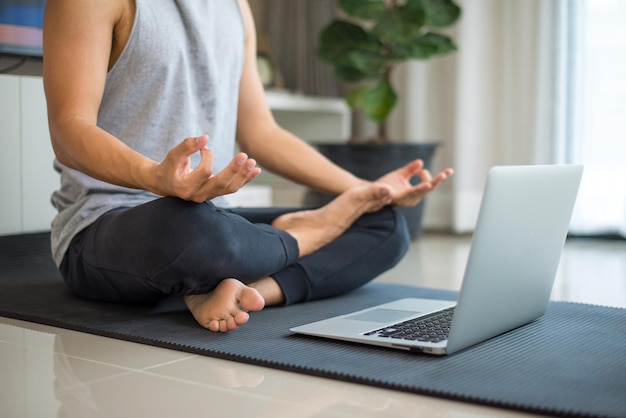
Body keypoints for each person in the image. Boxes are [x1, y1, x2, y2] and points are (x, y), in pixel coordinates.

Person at [42, 0, 453, 333]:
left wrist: (366, 192)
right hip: (115, 225)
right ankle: (297, 239)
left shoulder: (236, 7)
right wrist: (154, 176)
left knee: (382, 222)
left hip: (208, 214)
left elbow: (262, 133)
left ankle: (241, 288)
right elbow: (69, 130)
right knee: (195, 236)